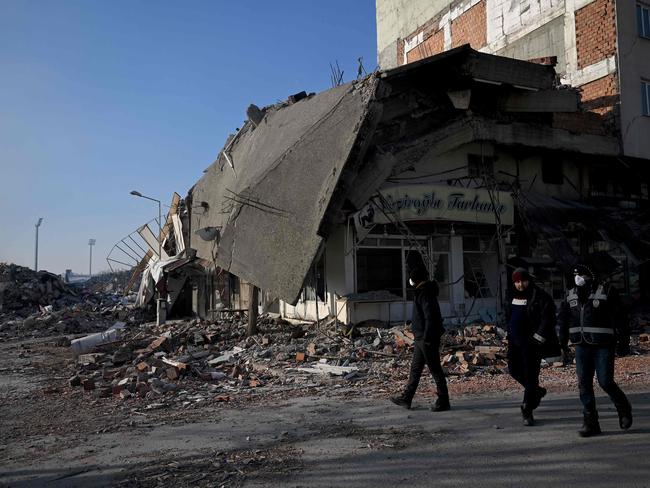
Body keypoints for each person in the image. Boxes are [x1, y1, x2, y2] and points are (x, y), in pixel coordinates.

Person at [558, 264, 633, 437]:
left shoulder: (606, 291)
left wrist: (624, 342)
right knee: (584, 384)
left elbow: (621, 317)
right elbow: (563, 320)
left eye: (581, 275)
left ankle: (623, 408)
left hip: (603, 344)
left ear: (590, 275)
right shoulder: (570, 295)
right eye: (575, 275)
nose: (578, 278)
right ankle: (590, 422)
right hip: (581, 345)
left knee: (605, 381)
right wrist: (562, 343)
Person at [390, 267, 450, 411]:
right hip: (421, 338)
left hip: (426, 338)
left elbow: (430, 317)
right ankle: (406, 398)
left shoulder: (425, 293)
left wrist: (428, 337)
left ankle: (443, 401)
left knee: (435, 370)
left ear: (416, 279)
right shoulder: (423, 292)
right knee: (415, 369)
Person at [507, 267, 560, 426]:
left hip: (532, 344)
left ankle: (527, 409)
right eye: (516, 281)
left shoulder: (540, 296)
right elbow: (508, 315)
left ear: (528, 280)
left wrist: (538, 338)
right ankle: (536, 391)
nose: (520, 285)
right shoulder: (511, 295)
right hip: (514, 343)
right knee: (513, 370)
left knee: (531, 376)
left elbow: (548, 319)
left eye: (522, 281)